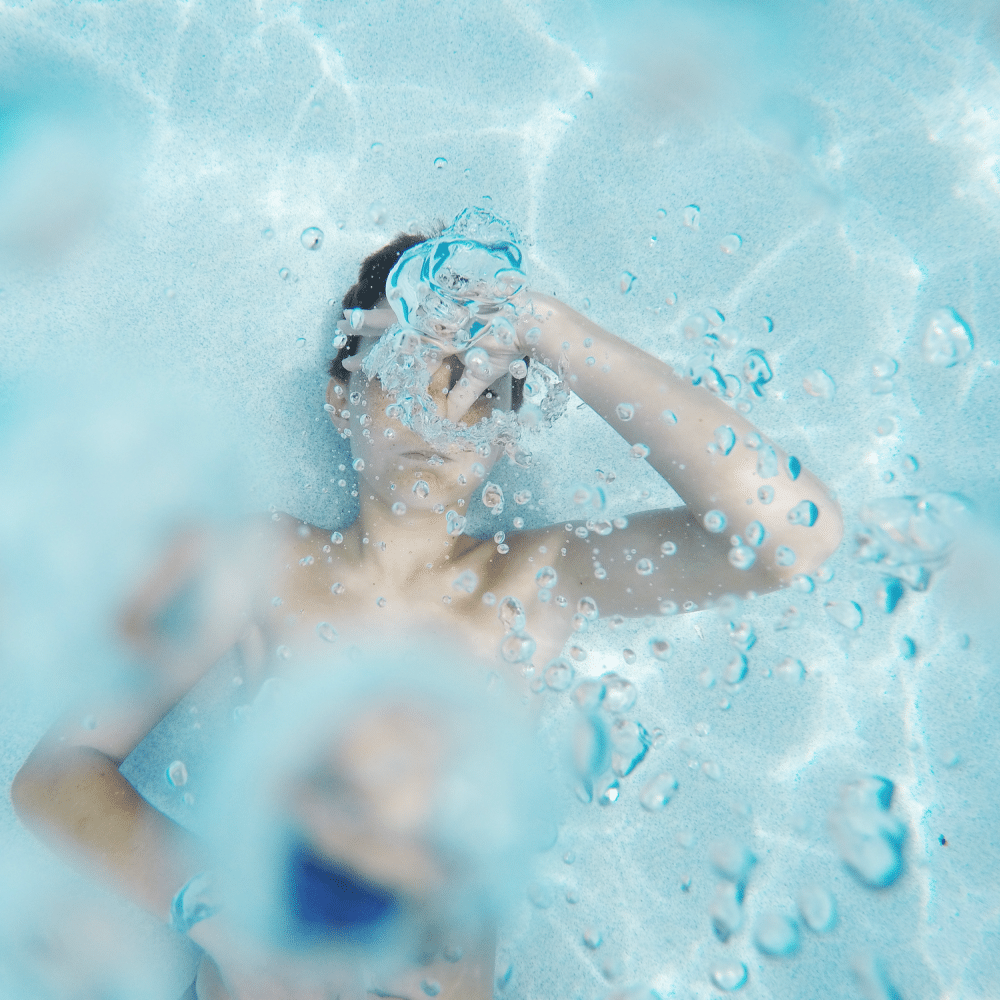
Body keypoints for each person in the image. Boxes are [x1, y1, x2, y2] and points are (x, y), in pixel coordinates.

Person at [11, 224, 844, 1000]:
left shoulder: (540, 579)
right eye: (406, 370)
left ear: (507, 435)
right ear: (341, 401)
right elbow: (57, 774)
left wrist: (544, 326)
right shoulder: (256, 562)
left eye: (475, 385)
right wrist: (213, 907)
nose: (436, 412)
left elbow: (789, 537)